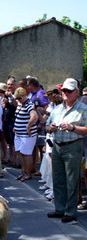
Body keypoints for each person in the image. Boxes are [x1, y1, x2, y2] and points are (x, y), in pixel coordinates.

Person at [45, 79, 87, 222]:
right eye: (64, 91)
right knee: (58, 179)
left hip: (73, 146)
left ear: (76, 92)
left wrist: (72, 127)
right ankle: (59, 209)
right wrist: (50, 127)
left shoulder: (83, 108)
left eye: (69, 91)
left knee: (71, 180)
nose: (66, 93)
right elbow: (46, 126)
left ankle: (70, 211)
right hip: (57, 145)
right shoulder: (57, 108)